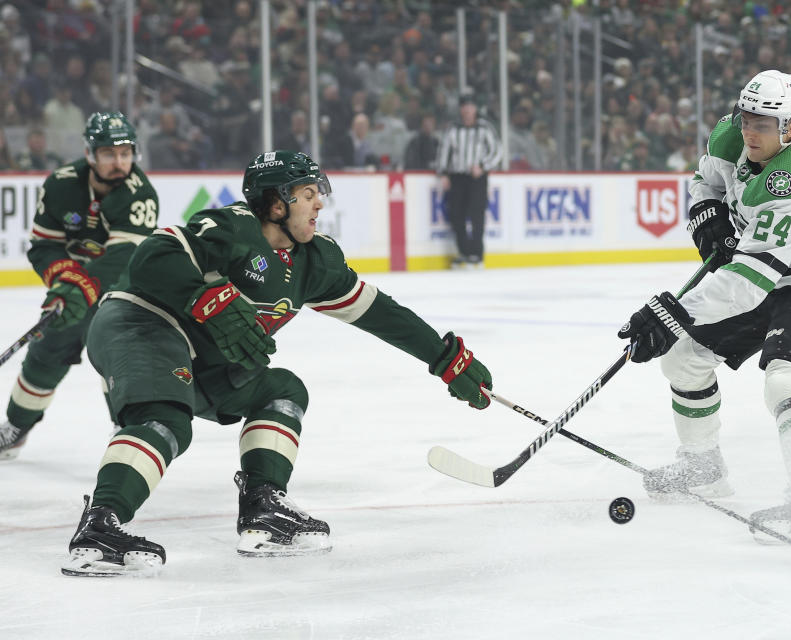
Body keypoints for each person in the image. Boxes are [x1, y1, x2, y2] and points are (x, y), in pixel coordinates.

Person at [60, 150, 494, 577]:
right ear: (275, 202)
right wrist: (204, 296)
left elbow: (377, 311)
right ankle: (99, 529)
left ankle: (262, 508)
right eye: (307, 193)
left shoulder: (315, 261)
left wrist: (443, 357)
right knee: (165, 420)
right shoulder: (232, 228)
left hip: (202, 357)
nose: (319, 202)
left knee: (282, 391)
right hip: (140, 322)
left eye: (318, 192)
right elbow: (152, 257)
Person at [616, 70, 791, 543]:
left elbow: (747, 284)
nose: (749, 130)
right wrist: (705, 210)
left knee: (787, 376)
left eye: (763, 124)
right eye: (745, 117)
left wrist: (671, 313)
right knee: (684, 359)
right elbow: (705, 179)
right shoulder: (733, 135)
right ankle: (703, 468)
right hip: (764, 272)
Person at [0, 112, 158, 460]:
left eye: (125, 153)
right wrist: (63, 282)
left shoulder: (140, 193)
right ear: (90, 154)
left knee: (116, 358)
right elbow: (44, 246)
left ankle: (126, 430)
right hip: (75, 288)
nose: (120, 162)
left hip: (122, 293)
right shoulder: (61, 184)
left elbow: (122, 257)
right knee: (43, 354)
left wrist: (78, 286)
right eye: (108, 154)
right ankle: (16, 428)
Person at [436, 92, 502, 269]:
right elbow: (444, 151)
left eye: (470, 106)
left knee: (476, 214)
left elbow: (497, 151)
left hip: (477, 178)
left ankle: (476, 254)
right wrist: (443, 173)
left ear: (475, 109)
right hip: (457, 177)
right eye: (464, 106)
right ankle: (463, 252)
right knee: (456, 214)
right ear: (460, 109)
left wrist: (483, 166)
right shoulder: (453, 129)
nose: (467, 110)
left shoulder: (484, 128)